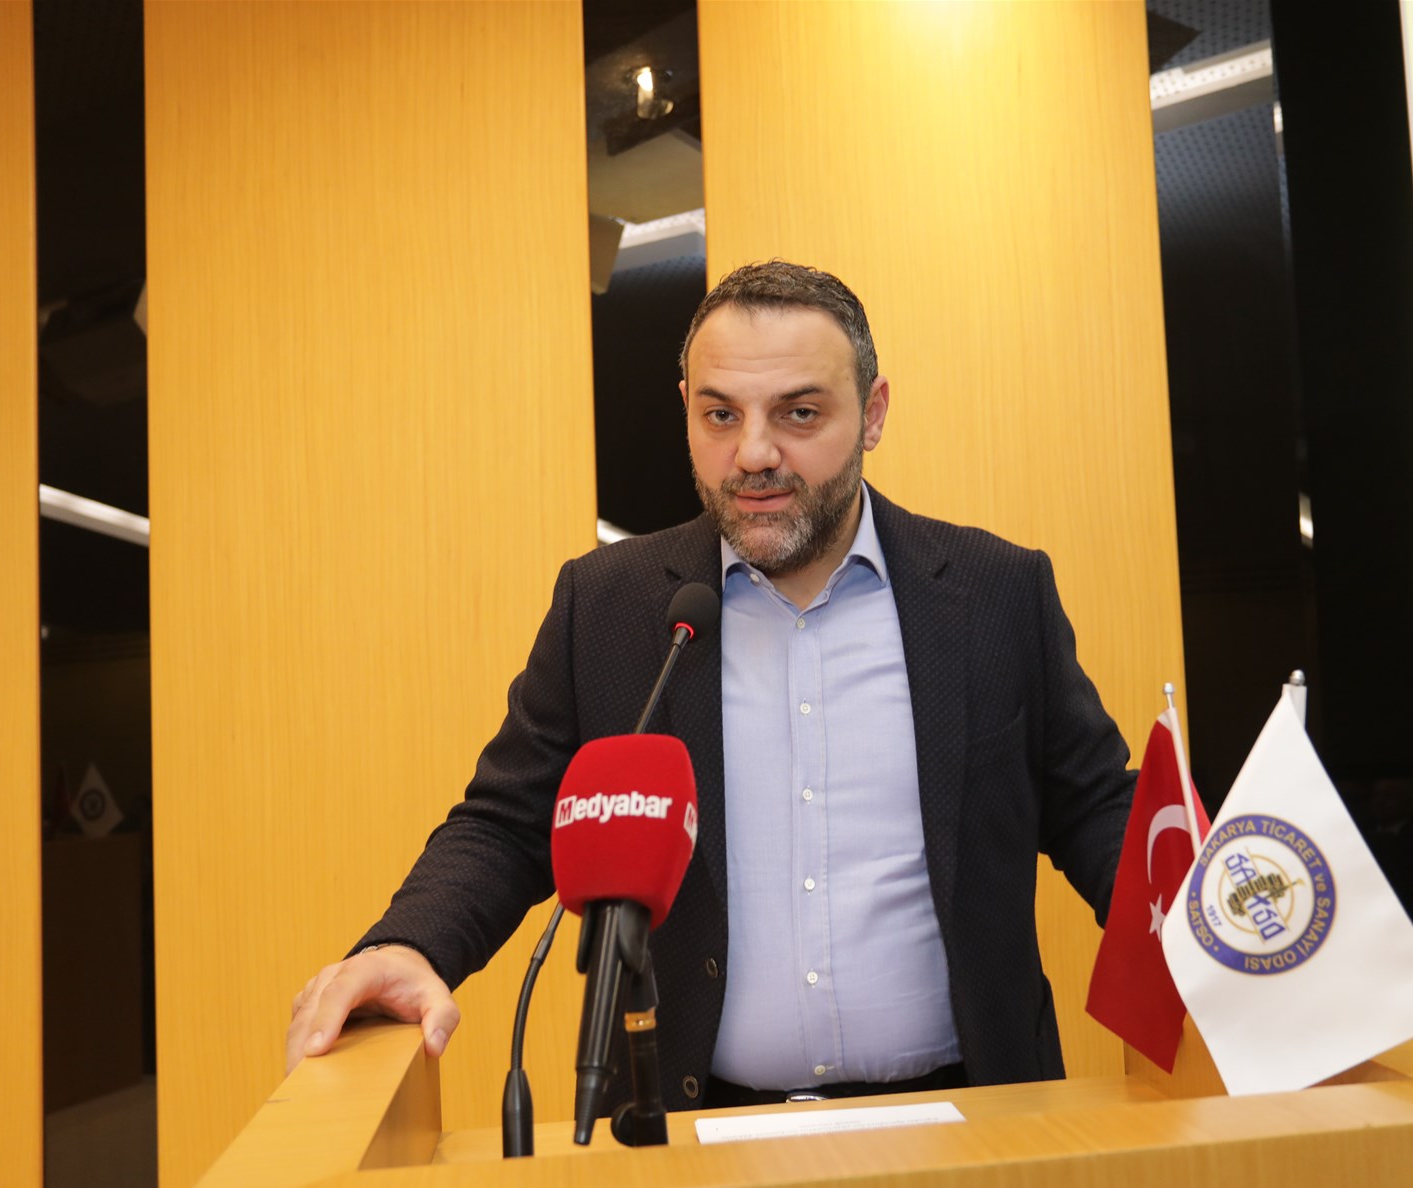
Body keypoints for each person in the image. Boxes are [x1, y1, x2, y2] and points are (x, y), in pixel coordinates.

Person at [286, 262, 1136, 1108]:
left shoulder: (994, 593)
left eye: (799, 413)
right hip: (696, 1124)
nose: (754, 454)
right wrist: (409, 946)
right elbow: (509, 824)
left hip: (969, 1116)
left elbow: (1096, 806)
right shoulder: (610, 608)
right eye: (720, 415)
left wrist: (1198, 922)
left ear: (873, 413)